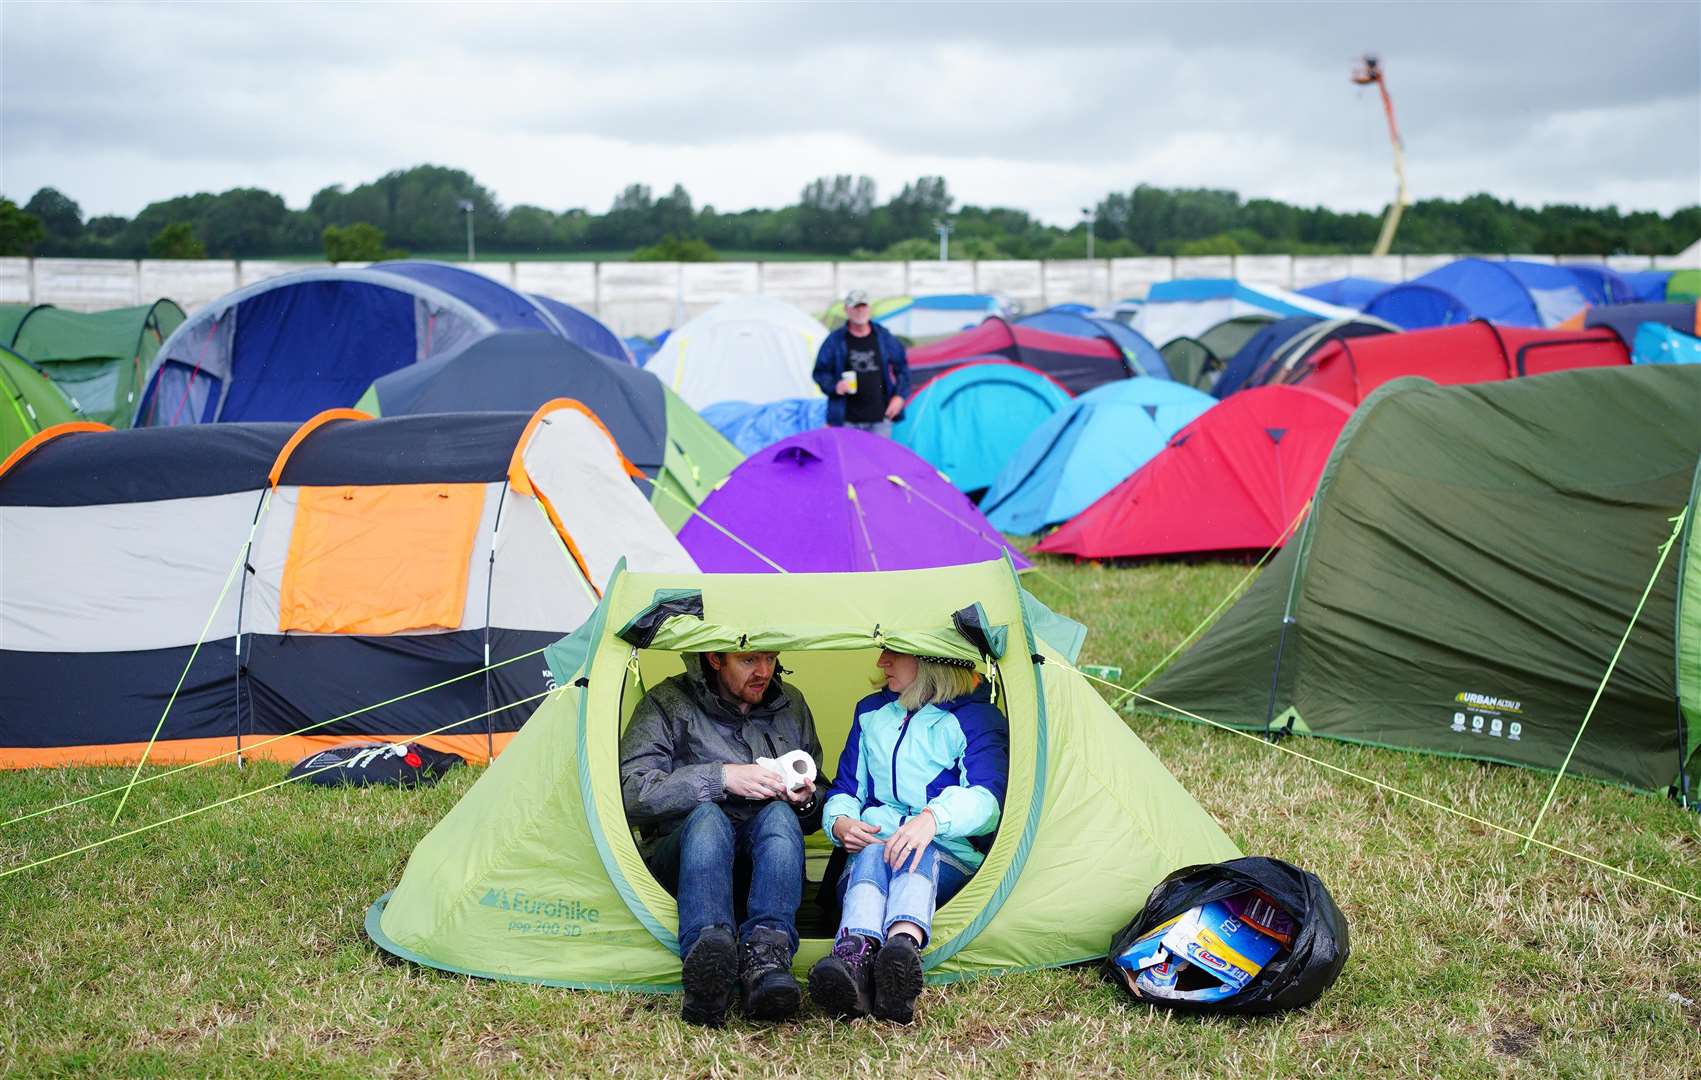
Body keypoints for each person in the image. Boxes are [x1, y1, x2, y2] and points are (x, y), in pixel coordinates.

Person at [620, 650, 823, 1027]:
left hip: (758, 868)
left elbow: (818, 804)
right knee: (708, 818)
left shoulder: (790, 704)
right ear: (715, 659)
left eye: (771, 658)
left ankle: (768, 957)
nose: (764, 671)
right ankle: (707, 960)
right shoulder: (669, 703)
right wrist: (721, 778)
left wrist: (807, 801)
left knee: (779, 815)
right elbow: (631, 792)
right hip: (684, 860)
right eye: (748, 661)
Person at [809, 649, 1009, 1023]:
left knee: (917, 853)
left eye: (894, 654)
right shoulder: (871, 712)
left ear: (933, 661)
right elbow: (846, 790)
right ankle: (860, 959)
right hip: (873, 855)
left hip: (946, 855)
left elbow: (988, 801)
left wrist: (933, 819)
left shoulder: (976, 718)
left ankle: (900, 950)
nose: (881, 662)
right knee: (873, 852)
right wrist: (840, 824)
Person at [813, 288, 911, 437]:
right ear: (846, 309)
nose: (860, 311)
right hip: (846, 420)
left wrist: (899, 396)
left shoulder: (883, 336)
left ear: (869, 308)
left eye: (863, 306)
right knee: (850, 460)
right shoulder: (835, 340)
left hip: (880, 419)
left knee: (878, 460)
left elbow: (902, 368)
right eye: (855, 307)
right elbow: (820, 372)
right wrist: (835, 386)